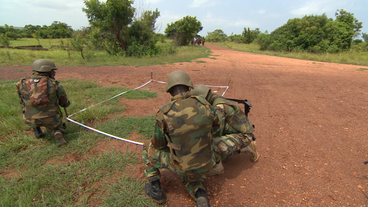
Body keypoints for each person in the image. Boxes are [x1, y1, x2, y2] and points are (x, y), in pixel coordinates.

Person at [142, 70, 218, 207]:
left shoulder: (165, 113)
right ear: (189, 87)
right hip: (207, 162)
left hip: (183, 165)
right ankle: (199, 192)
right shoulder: (205, 104)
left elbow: (159, 145)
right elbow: (216, 127)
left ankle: (156, 190)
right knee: (191, 173)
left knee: (148, 146)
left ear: (170, 91)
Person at [190, 84, 259, 173]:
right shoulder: (216, 99)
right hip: (239, 130)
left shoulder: (219, 107)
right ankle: (246, 145)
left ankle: (217, 167)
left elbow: (216, 130)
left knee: (210, 143)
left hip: (243, 135)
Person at [16, 59, 70, 147]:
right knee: (59, 125)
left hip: (30, 119)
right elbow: (64, 103)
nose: (54, 73)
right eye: (52, 71)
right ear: (46, 70)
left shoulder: (21, 83)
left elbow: (22, 102)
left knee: (33, 116)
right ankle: (57, 132)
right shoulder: (54, 84)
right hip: (51, 119)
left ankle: (37, 130)